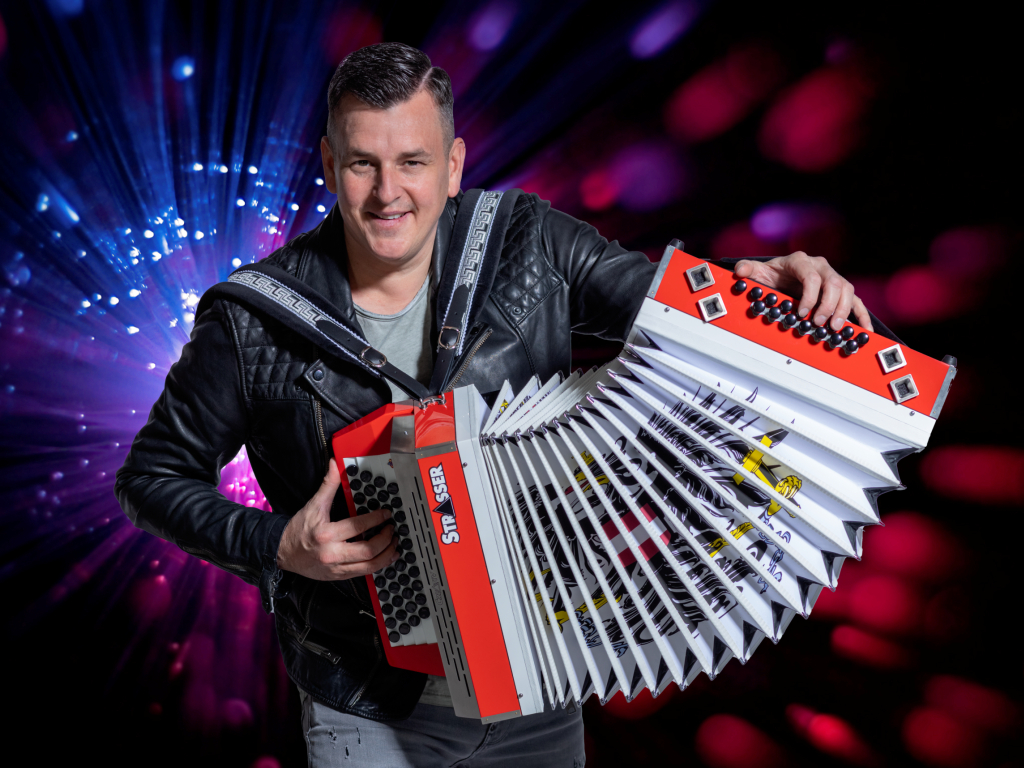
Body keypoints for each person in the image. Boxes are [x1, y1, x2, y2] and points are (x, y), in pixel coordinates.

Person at [115, 42, 881, 767]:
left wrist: (753, 286)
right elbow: (150, 478)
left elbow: (661, 303)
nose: (388, 194)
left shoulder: (527, 242)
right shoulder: (251, 319)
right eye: (362, 164)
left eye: (413, 162)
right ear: (328, 164)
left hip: (539, 682)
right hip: (367, 700)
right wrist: (278, 546)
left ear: (453, 166)